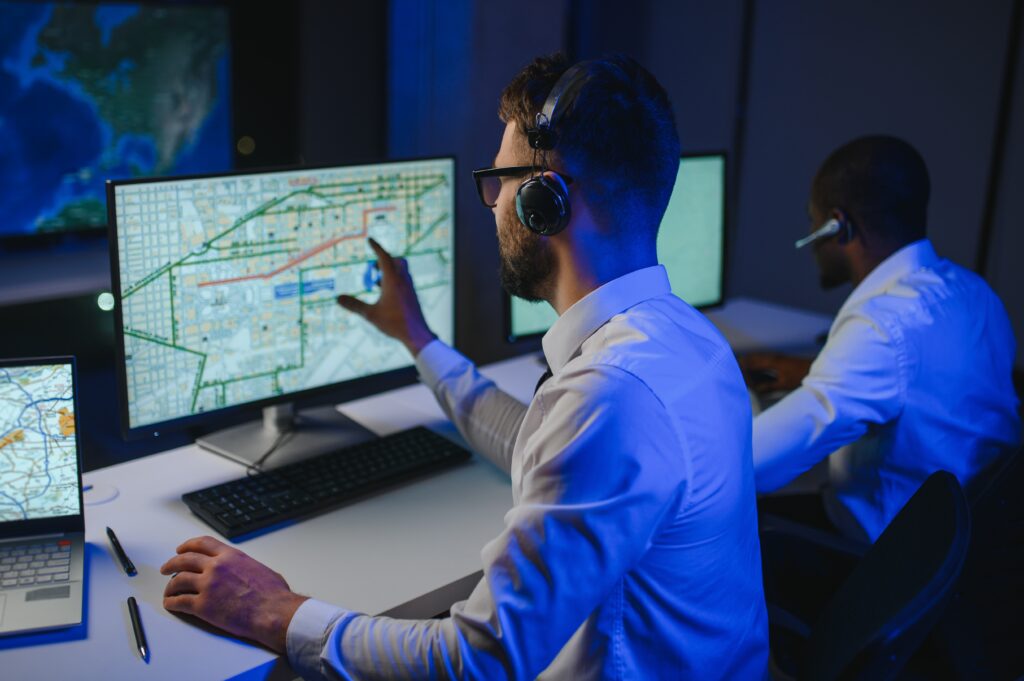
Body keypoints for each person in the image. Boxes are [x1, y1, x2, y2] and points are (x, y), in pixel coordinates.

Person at [159, 54, 768, 679]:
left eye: (498, 180)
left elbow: (477, 661)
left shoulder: (610, 397)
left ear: (545, 199)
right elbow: (535, 439)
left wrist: (279, 613)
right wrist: (418, 340)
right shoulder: (686, 339)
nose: (491, 203)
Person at [743, 135, 1020, 543]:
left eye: (811, 219)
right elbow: (930, 383)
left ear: (838, 226)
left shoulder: (882, 330)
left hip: (886, 563)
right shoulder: (976, 294)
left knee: (720, 526)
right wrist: (811, 372)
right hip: (967, 544)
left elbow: (752, 464)